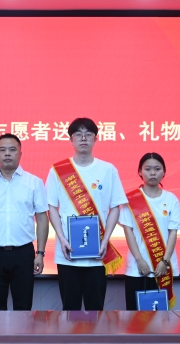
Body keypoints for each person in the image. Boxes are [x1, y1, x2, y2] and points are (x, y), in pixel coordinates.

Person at [46, 117, 127, 311]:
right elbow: (51, 208)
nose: (83, 138)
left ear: (95, 139)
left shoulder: (108, 170)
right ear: (71, 140)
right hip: (67, 253)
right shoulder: (58, 171)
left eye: (88, 134)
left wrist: (105, 240)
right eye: (78, 134)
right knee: (69, 309)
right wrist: (62, 239)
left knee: (96, 309)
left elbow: (115, 207)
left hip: (98, 253)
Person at [0, 133, 49, 310]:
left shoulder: (34, 182)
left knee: (23, 309)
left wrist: (40, 253)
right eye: (3, 150)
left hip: (23, 254)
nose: (7, 153)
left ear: (20, 154)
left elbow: (42, 219)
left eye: (12, 150)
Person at [119, 153, 180, 310]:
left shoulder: (171, 199)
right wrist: (139, 260)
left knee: (160, 318)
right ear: (140, 171)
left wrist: (165, 261)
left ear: (164, 172)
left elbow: (173, 233)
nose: (153, 173)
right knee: (134, 317)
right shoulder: (130, 199)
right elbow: (128, 232)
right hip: (136, 268)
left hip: (162, 267)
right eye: (148, 169)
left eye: (157, 169)